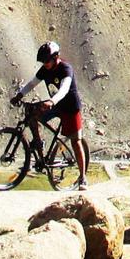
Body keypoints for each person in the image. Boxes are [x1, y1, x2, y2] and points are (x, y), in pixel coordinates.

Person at [11, 41, 88, 189]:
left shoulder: (66, 69)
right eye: (43, 61)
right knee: (31, 114)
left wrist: (52, 101)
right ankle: (39, 146)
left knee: (75, 141)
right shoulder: (45, 70)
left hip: (70, 108)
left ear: (56, 57)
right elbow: (32, 83)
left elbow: (64, 89)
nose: (45, 64)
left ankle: (83, 177)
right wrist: (19, 95)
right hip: (55, 105)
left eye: (47, 61)